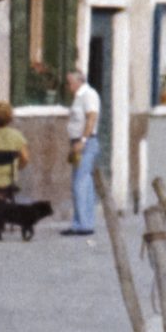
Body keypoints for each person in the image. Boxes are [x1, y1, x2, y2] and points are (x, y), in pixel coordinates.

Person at [62, 64, 103, 236]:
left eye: (70, 82)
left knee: (81, 182)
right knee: (81, 182)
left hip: (86, 142)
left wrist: (83, 140)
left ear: (78, 81)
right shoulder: (78, 97)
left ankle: (84, 224)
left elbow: (91, 118)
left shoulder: (89, 95)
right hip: (77, 142)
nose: (68, 86)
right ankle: (81, 221)